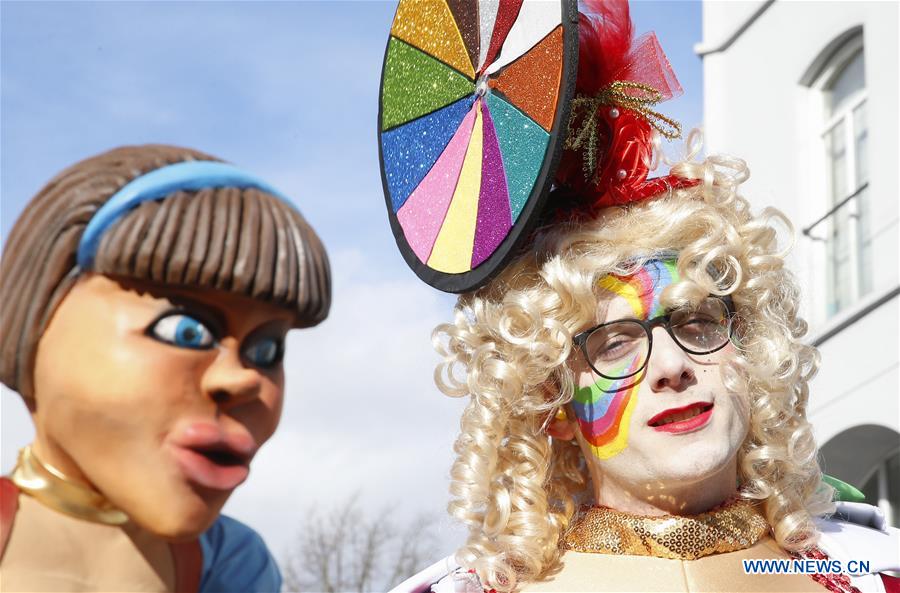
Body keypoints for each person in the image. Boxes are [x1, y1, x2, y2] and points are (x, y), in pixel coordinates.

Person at [385, 1, 899, 592]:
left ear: (752, 350)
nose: (673, 367)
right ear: (551, 399)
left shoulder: (871, 573)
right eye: (615, 343)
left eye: (699, 323)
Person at [0, 144, 330, 592]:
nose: (242, 378)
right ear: (37, 316)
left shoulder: (232, 565)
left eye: (267, 351)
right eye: (184, 330)